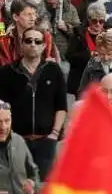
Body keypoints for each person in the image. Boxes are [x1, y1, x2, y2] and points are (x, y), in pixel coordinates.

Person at [0, 26, 67, 179]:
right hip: (16, 140)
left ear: (44, 46)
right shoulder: (6, 72)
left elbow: (61, 105)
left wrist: (55, 133)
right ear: (21, 44)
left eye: (37, 42)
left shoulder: (54, 70)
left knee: (44, 186)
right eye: (28, 41)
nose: (33, 45)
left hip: (46, 140)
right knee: (18, 184)